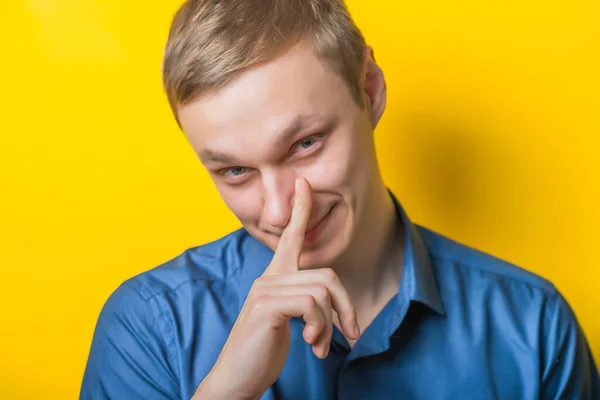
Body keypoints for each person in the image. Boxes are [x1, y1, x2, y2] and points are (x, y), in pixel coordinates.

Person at [80, 0, 599, 399]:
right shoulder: (148, 327)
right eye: (235, 171)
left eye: (305, 144)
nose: (280, 211)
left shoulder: (535, 327)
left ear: (369, 89)